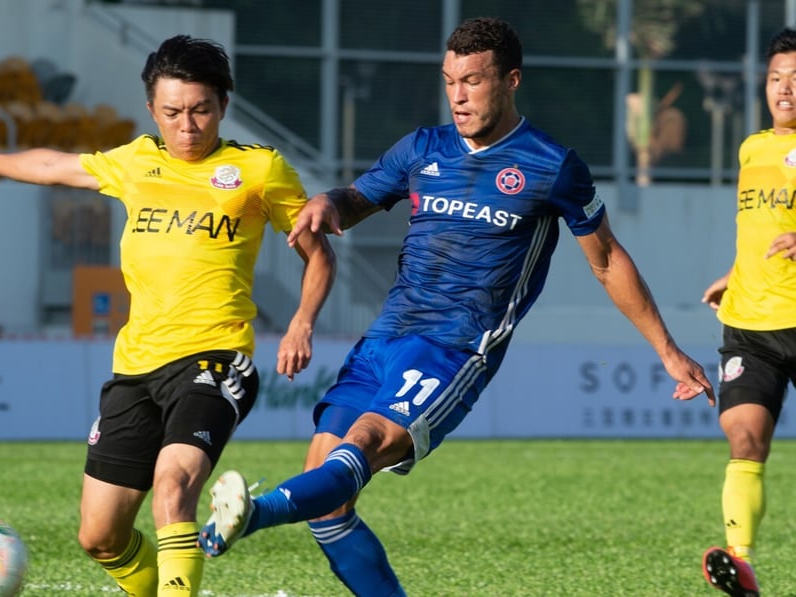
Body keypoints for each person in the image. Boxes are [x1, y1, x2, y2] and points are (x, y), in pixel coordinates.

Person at [196, 17, 715, 596]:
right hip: (385, 336)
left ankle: (254, 514)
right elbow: (356, 199)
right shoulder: (422, 148)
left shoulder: (550, 164)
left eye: (472, 80)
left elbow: (607, 259)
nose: (458, 95)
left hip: (456, 347)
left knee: (363, 442)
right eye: (449, 81)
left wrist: (668, 352)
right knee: (327, 501)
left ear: (511, 80)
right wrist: (326, 203)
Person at [0, 35, 336, 597]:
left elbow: (319, 254)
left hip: (216, 359)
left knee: (173, 489)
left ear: (223, 105)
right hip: (136, 369)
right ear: (152, 110)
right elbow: (53, 165)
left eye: (200, 111)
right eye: (172, 113)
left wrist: (301, 321)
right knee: (99, 537)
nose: (187, 126)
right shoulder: (136, 161)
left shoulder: (259, 171)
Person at [699, 26, 796, 597]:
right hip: (751, 324)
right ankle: (741, 564)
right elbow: (761, 229)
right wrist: (734, 275)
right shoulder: (753, 147)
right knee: (744, 439)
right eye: (776, 79)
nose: (784, 90)